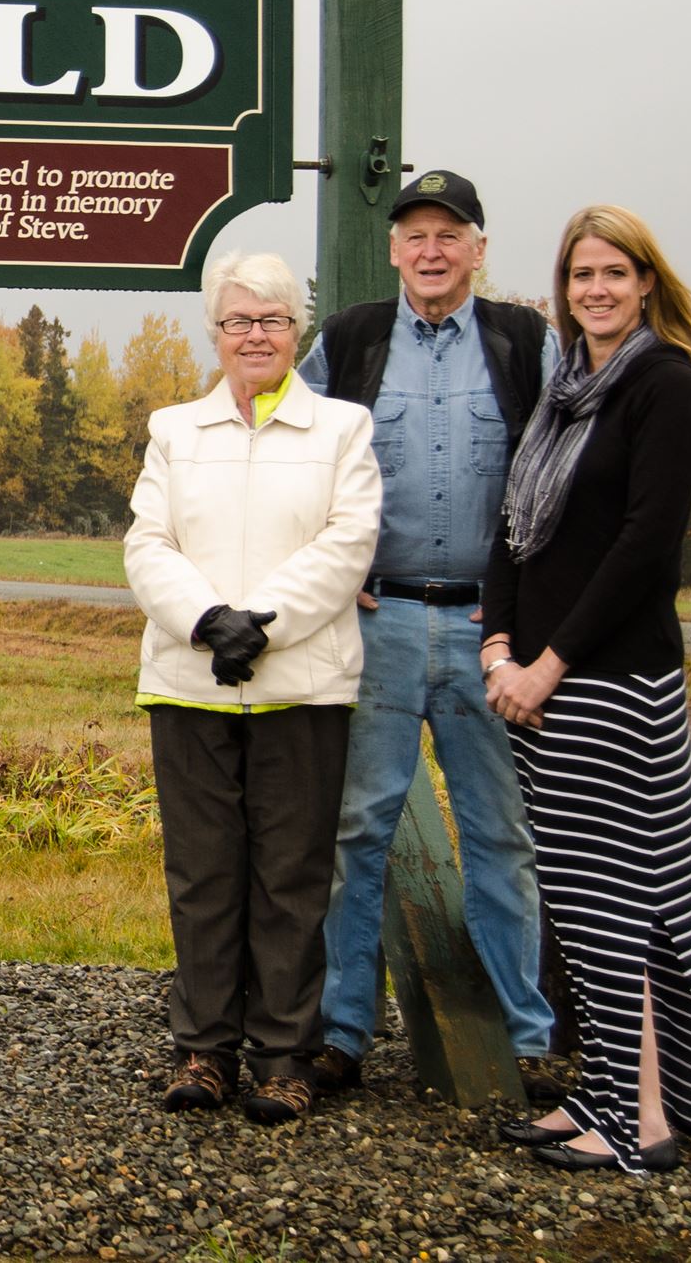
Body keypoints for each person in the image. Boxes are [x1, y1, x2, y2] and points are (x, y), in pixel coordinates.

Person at [483, 206, 691, 1175]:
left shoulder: (661, 386)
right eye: (578, 275)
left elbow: (642, 548)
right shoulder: (564, 391)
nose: (593, 289)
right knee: (584, 900)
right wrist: (498, 643)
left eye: (611, 274)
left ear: (644, 283)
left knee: (608, 905)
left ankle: (640, 1123)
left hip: (611, 683)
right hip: (538, 682)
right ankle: (612, 1097)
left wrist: (549, 664)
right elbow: (513, 526)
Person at [299, 169, 558, 1093]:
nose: (432, 249)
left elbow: (569, 467)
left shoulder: (527, 342)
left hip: (492, 634)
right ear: (395, 250)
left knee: (502, 834)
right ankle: (341, 1034)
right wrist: (330, 570)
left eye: (450, 232)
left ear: (479, 248)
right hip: (381, 626)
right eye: (415, 234)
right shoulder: (351, 340)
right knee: (356, 829)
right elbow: (290, 448)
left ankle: (525, 1042)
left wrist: (535, 611)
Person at [123, 251, 380, 1127]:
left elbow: (348, 545)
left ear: (296, 330)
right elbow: (147, 545)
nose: (255, 335)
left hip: (300, 687)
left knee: (291, 877)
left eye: (271, 320)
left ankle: (283, 1056)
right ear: (215, 332)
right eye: (238, 321)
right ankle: (203, 1050)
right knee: (202, 876)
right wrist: (207, 623)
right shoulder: (174, 430)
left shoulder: (342, 430)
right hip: (191, 683)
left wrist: (259, 624)